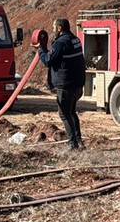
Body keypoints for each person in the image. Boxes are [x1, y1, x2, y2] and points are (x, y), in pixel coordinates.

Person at [34, 18, 87, 151]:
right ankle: (79, 142)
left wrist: (40, 50)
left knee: (64, 114)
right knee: (72, 112)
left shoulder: (60, 43)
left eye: (54, 27)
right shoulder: (75, 40)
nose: (52, 30)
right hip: (78, 84)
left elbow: (47, 61)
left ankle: (72, 144)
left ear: (59, 28)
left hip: (66, 85)